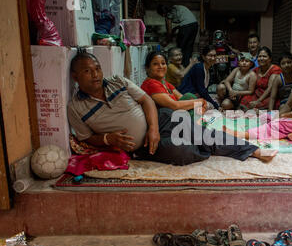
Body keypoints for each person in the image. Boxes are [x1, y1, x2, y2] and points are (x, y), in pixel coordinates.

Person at [67, 51, 277, 166]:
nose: (95, 74)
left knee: (199, 132)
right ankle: (207, 144)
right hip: (142, 146)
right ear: (75, 77)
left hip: (160, 119)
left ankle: (250, 150)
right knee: (183, 152)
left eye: (97, 68)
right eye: (87, 71)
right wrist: (106, 139)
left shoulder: (117, 81)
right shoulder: (76, 108)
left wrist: (153, 128)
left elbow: (148, 102)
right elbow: (85, 138)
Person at [224, 47, 292, 141]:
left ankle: (244, 134)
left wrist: (283, 117)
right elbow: (289, 105)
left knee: (279, 123)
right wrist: (277, 115)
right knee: (265, 116)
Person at [141, 51, 207, 118]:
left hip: (175, 116)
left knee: (189, 96)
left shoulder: (164, 82)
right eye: (155, 64)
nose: (160, 66)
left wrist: (198, 103)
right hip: (165, 120)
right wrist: (200, 101)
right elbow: (175, 106)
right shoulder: (151, 84)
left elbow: (183, 98)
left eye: (163, 63)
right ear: (147, 68)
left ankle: (199, 119)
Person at [177, 45, 220, 110]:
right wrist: (216, 105)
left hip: (196, 96)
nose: (213, 58)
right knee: (211, 107)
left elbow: (203, 91)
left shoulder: (208, 69)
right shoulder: (199, 67)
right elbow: (201, 90)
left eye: (215, 55)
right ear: (203, 57)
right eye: (210, 55)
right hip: (186, 96)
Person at [240, 47, 282, 111]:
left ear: (270, 59)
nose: (261, 58)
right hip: (257, 95)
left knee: (257, 106)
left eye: (264, 56)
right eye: (259, 56)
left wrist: (258, 101)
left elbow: (270, 89)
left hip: (270, 97)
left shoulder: (275, 69)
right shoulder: (255, 70)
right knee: (244, 100)